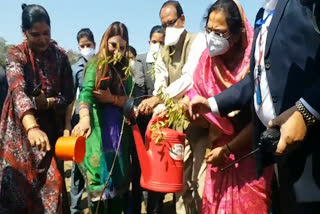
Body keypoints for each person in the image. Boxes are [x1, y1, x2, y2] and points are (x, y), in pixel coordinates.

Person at [189, 0, 320, 213]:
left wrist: (306, 110)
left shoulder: (303, 4)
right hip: (281, 147)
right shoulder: (266, 13)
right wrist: (212, 104)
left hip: (311, 143)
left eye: (220, 32)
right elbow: (257, 80)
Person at [183, 0, 273, 213]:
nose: (212, 38)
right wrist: (191, 110)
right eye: (209, 30)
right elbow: (196, 96)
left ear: (238, 33)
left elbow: (260, 120)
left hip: (250, 158)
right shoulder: (206, 63)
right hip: (217, 156)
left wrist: (228, 149)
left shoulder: (254, 64)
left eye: (220, 33)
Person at [0, 4, 74, 213]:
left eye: (46, 33)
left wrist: (49, 103)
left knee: (54, 184)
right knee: (18, 189)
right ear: (24, 33)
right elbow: (18, 89)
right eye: (35, 34)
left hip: (49, 131)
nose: (42, 39)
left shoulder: (60, 56)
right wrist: (32, 127)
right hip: (20, 132)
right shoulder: (16, 54)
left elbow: (68, 95)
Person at [137, 1, 207, 213]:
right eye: (163, 24)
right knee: (181, 183)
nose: (167, 29)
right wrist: (159, 103)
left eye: (171, 23)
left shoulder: (197, 41)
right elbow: (161, 80)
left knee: (200, 183)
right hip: (176, 126)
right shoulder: (161, 51)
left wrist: (159, 99)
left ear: (182, 20)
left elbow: (189, 78)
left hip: (199, 122)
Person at [71, 21, 133, 214]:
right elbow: (86, 94)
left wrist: (112, 99)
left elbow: (129, 99)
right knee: (98, 187)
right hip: (98, 132)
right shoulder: (95, 66)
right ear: (106, 41)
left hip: (119, 137)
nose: (117, 52)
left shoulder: (125, 70)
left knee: (118, 187)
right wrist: (84, 118)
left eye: (122, 48)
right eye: (113, 45)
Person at [131, 25, 165, 214]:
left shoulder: (168, 60)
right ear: (148, 42)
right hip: (143, 124)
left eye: (161, 42)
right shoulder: (141, 61)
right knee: (138, 169)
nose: (157, 45)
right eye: (154, 42)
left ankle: (155, 209)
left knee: (159, 169)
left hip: (162, 125)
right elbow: (138, 92)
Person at [65, 28, 96, 214]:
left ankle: (94, 204)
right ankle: (75, 207)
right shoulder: (76, 68)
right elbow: (71, 98)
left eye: (88, 45)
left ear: (94, 44)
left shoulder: (101, 64)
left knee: (94, 165)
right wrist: (68, 124)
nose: (85, 48)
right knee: (78, 168)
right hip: (79, 120)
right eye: (82, 46)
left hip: (98, 122)